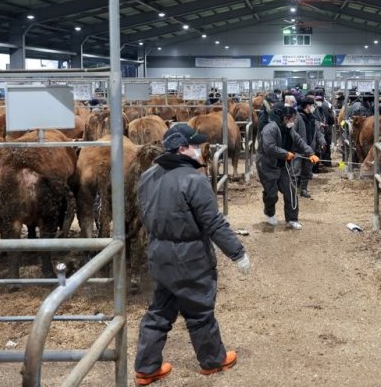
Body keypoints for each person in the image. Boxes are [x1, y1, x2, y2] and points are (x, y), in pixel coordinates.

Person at [134, 124, 251, 385]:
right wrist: (237, 252)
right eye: (195, 145)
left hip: (158, 253)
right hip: (189, 257)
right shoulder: (194, 180)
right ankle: (213, 360)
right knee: (199, 310)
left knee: (160, 311)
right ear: (182, 148)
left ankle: (146, 367)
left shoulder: (148, 176)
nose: (200, 150)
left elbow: (143, 214)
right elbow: (213, 223)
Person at [256, 103, 319, 230]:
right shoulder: (270, 128)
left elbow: (299, 141)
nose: (293, 122)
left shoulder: (289, 130)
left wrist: (310, 153)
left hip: (283, 166)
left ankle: (292, 219)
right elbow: (269, 147)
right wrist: (285, 154)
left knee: (291, 191)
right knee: (271, 193)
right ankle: (269, 213)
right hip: (268, 166)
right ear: (285, 118)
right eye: (292, 120)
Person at [295, 96, 326, 198]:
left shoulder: (312, 118)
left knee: (307, 171)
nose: (314, 107)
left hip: (310, 150)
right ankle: (294, 190)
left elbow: (318, 132)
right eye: (312, 105)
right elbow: (293, 134)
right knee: (296, 171)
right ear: (308, 106)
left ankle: (303, 189)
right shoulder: (297, 118)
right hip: (298, 150)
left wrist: (322, 142)